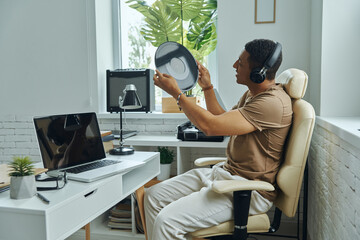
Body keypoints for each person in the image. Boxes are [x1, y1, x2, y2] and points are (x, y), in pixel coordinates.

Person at [145, 39, 293, 240]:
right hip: (225, 174)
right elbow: (222, 120)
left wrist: (177, 95)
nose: (234, 66)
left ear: (258, 71)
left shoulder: (271, 103)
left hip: (246, 190)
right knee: (153, 197)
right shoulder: (254, 94)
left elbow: (211, 127)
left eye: (240, 63)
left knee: (166, 221)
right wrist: (207, 87)